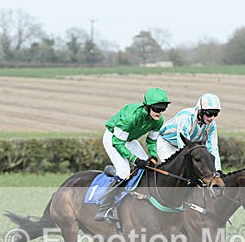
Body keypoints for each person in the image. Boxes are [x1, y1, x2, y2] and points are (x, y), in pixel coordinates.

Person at [95, 87, 170, 221]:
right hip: (113, 138)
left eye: (163, 109)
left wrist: (153, 155)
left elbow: (152, 140)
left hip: (129, 140)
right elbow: (118, 143)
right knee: (124, 172)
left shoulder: (158, 121)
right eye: (157, 109)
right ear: (147, 107)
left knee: (149, 167)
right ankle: (104, 209)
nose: (160, 113)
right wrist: (133, 159)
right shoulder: (131, 118)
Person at [157, 93, 222, 171]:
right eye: (209, 114)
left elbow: (213, 148)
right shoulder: (186, 118)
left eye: (215, 114)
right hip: (166, 143)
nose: (212, 118)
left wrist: (218, 170)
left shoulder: (212, 124)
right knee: (178, 170)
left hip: (184, 146)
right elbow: (183, 147)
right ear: (200, 110)